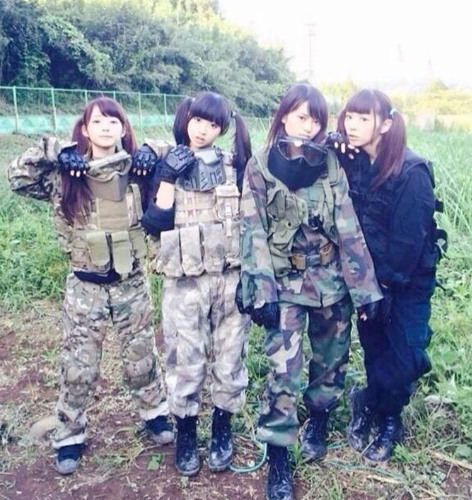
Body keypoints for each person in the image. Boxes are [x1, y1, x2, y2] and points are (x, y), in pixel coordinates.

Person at [7, 97, 172, 475]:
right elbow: (17, 177)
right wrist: (55, 151)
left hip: (130, 282)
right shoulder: (66, 174)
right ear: (84, 129)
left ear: (123, 128)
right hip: (85, 286)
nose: (106, 128)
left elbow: (177, 154)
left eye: (113, 121)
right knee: (78, 365)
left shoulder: (137, 170)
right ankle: (69, 432)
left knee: (141, 357)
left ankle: (155, 413)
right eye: (97, 122)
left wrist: (151, 149)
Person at [238, 82, 382, 500]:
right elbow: (252, 231)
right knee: (283, 369)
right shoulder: (261, 165)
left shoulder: (330, 164)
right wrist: (262, 291)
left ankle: (318, 418)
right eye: (302, 116)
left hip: (330, 280)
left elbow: (348, 226)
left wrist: (365, 290)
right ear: (284, 115)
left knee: (331, 359)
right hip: (284, 282)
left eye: (316, 119)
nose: (309, 126)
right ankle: (279, 452)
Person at [134, 91, 252, 476]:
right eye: (197, 120)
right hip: (183, 282)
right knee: (184, 360)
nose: (203, 130)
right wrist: (166, 174)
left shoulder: (234, 165)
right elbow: (154, 224)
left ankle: (221, 429)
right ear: (186, 118)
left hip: (229, 278)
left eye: (213, 124)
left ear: (222, 129)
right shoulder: (167, 160)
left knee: (230, 358)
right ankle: (185, 432)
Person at [335, 89, 445, 462]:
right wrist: (368, 290)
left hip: (406, 283)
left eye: (363, 118)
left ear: (385, 124)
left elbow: (408, 244)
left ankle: (384, 411)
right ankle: (378, 408)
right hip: (368, 281)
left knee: (407, 357)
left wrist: (383, 289)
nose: (352, 125)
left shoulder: (411, 171)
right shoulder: (354, 163)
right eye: (349, 116)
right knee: (375, 348)